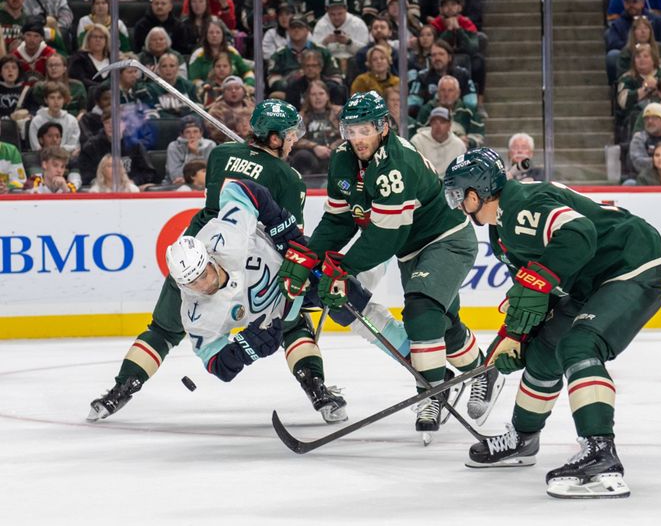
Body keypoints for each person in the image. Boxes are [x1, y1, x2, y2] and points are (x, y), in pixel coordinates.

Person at [88, 99, 409, 422]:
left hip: (202, 245)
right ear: (273, 138)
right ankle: (317, 389)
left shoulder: (221, 153)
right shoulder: (288, 177)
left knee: (162, 330)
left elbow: (237, 176)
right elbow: (291, 241)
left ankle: (118, 392)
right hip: (247, 251)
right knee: (293, 324)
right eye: (289, 134)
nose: (294, 139)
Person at [442, 147, 661, 499]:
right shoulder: (500, 233)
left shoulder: (522, 205)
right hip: (588, 280)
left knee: (578, 345)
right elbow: (534, 291)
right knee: (544, 349)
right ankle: (522, 438)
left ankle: (600, 453)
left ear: (477, 193)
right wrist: (514, 336)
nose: (455, 203)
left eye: (458, 194)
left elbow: (580, 234)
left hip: (630, 265)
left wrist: (536, 288)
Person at [283, 91, 504, 438]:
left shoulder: (395, 163)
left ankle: (431, 393)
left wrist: (343, 269)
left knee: (421, 312)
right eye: (350, 130)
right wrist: (308, 255)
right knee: (442, 323)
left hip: (446, 238)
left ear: (383, 127)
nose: (357, 138)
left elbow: (386, 238)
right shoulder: (343, 159)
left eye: (365, 129)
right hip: (410, 248)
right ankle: (483, 371)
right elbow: (338, 221)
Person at [163, 178, 349, 427]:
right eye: (191, 283)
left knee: (351, 299)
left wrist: (285, 234)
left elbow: (239, 188)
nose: (202, 286)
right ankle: (315, 386)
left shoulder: (225, 237)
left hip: (294, 268)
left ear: (209, 258)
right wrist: (243, 351)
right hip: (273, 313)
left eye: (203, 274)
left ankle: (416, 363)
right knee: (291, 327)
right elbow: (217, 364)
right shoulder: (195, 314)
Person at [77, 110, 159, 188]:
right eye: (107, 122)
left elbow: (149, 173)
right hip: (101, 191)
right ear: (103, 125)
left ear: (125, 124)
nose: (111, 126)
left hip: (130, 190)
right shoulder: (91, 146)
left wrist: (133, 182)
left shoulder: (135, 145)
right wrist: (103, 184)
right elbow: (86, 174)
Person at [408, 39, 477, 117]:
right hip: (429, 120)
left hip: (459, 118)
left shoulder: (463, 75)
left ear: (449, 57)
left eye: (441, 54)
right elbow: (412, 105)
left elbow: (471, 104)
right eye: (433, 55)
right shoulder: (422, 77)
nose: (437, 58)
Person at [290, 79, 343, 180]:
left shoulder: (338, 112)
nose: (317, 97)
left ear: (327, 96)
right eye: (313, 94)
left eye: (321, 93)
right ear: (308, 97)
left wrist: (334, 147)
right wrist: (315, 147)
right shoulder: (301, 116)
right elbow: (294, 138)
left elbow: (348, 134)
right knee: (302, 156)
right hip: (311, 157)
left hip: (334, 153)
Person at [415, 75, 485, 148]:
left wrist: (468, 141)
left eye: (450, 90)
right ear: (438, 93)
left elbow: (478, 135)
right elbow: (418, 133)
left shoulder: (469, 110)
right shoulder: (427, 110)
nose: (446, 94)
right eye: (443, 90)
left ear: (458, 93)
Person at [188, 18, 255, 88]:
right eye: (211, 32)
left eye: (218, 32)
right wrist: (205, 86)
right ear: (206, 35)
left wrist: (248, 85)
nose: (214, 35)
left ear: (223, 35)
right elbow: (193, 79)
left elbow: (247, 72)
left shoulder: (232, 51)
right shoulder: (198, 54)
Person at [311, 0, 369, 66]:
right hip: (329, 63)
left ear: (346, 9)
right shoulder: (321, 25)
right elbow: (314, 53)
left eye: (340, 13)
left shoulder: (358, 24)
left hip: (353, 62)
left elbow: (365, 52)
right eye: (332, 14)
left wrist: (349, 42)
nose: (337, 17)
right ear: (326, 10)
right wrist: (325, 42)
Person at [409, 106, 466, 178]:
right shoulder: (417, 141)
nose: (438, 127)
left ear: (449, 125)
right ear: (430, 124)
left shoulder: (459, 146)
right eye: (435, 122)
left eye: (442, 122)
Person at [28, 82, 80, 153]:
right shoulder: (37, 121)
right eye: (52, 98)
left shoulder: (72, 121)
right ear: (46, 100)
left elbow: (74, 145)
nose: (56, 102)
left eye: (59, 98)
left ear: (64, 100)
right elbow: (36, 147)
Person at [143, 52, 199, 118]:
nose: (168, 69)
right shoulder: (151, 89)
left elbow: (198, 109)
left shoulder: (189, 86)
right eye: (164, 66)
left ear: (178, 68)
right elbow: (154, 113)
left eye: (172, 66)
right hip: (165, 125)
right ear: (158, 69)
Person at [165, 115, 216, 185]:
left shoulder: (210, 145)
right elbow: (175, 176)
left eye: (195, 131)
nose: (192, 136)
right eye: (188, 132)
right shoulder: (173, 147)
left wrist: (196, 153)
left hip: (204, 184)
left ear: (201, 133)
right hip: (176, 184)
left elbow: (212, 172)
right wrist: (192, 154)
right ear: (181, 134)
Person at [206, 75, 256, 144]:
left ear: (244, 90)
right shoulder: (216, 110)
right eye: (229, 89)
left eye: (237, 88)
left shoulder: (252, 106)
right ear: (223, 93)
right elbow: (215, 132)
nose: (233, 91)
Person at [68, 23, 111, 90]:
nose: (98, 40)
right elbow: (80, 81)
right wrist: (102, 88)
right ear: (88, 40)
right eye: (94, 37)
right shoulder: (79, 59)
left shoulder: (113, 59)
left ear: (106, 41)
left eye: (101, 37)